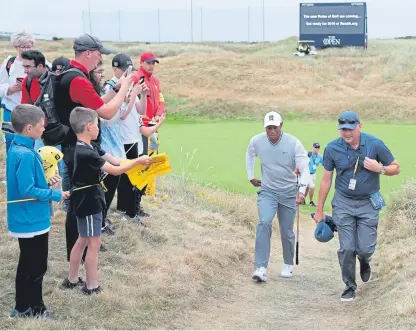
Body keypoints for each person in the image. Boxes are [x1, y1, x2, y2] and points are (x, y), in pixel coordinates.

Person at [54, 34, 132, 262]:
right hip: (77, 148)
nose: (100, 59)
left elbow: (97, 102)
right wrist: (126, 86)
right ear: (88, 53)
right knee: (79, 200)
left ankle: (82, 248)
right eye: (99, 54)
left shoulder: (74, 74)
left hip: (75, 145)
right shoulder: (77, 79)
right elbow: (106, 111)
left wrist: (116, 89)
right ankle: (78, 251)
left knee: (81, 198)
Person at [61, 107, 151, 294]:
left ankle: (72, 278)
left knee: (83, 239)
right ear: (88, 127)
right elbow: (115, 170)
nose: (98, 128)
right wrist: (137, 162)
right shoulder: (86, 153)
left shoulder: (89, 147)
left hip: (89, 198)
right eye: (96, 125)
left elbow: (116, 161)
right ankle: (92, 285)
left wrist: (135, 161)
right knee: (93, 243)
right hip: (88, 201)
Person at [313, 110, 400, 302]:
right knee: (346, 248)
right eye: (343, 129)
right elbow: (326, 180)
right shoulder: (332, 148)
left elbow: (396, 167)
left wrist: (381, 169)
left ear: (360, 126)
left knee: (365, 249)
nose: (347, 133)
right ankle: (349, 286)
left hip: (368, 202)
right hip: (343, 202)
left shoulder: (374, 144)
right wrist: (319, 209)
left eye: (351, 129)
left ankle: (365, 260)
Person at [6, 104, 69, 317]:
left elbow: (30, 184)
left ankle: (23, 306)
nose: (44, 129)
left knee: (29, 263)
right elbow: (26, 190)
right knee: (35, 266)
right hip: (30, 219)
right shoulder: (26, 154)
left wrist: (46, 184)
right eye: (42, 126)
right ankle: (33, 308)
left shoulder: (18, 148)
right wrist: (56, 194)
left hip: (28, 217)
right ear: (30, 128)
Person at [246, 111, 310, 281]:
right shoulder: (256, 141)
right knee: (264, 222)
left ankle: (288, 263)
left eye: (274, 127)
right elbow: (250, 155)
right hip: (268, 190)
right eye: (268, 128)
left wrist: (302, 192)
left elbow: (305, 168)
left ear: (281, 126)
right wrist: (250, 175)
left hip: (289, 191)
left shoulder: (294, 143)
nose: (271, 131)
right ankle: (260, 267)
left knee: (286, 230)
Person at [0, 30, 35, 152]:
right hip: (10, 110)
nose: (26, 50)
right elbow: (1, 85)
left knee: (29, 144)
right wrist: (10, 89)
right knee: (11, 144)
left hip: (31, 111)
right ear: (16, 46)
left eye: (28, 46)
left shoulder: (40, 62)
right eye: (22, 47)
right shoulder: (9, 63)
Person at [138, 52, 166, 154]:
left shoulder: (155, 80)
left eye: (153, 63)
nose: (152, 65)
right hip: (141, 127)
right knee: (143, 158)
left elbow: (161, 100)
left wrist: (159, 114)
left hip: (153, 124)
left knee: (152, 157)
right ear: (141, 63)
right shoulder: (137, 78)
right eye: (149, 63)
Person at [305, 142, 323, 207]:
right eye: (316, 147)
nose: (317, 149)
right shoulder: (308, 154)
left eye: (318, 147)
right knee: (312, 187)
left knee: (307, 187)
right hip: (307, 173)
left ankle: (303, 200)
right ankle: (311, 201)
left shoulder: (320, 157)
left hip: (313, 174)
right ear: (313, 147)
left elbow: (324, 163)